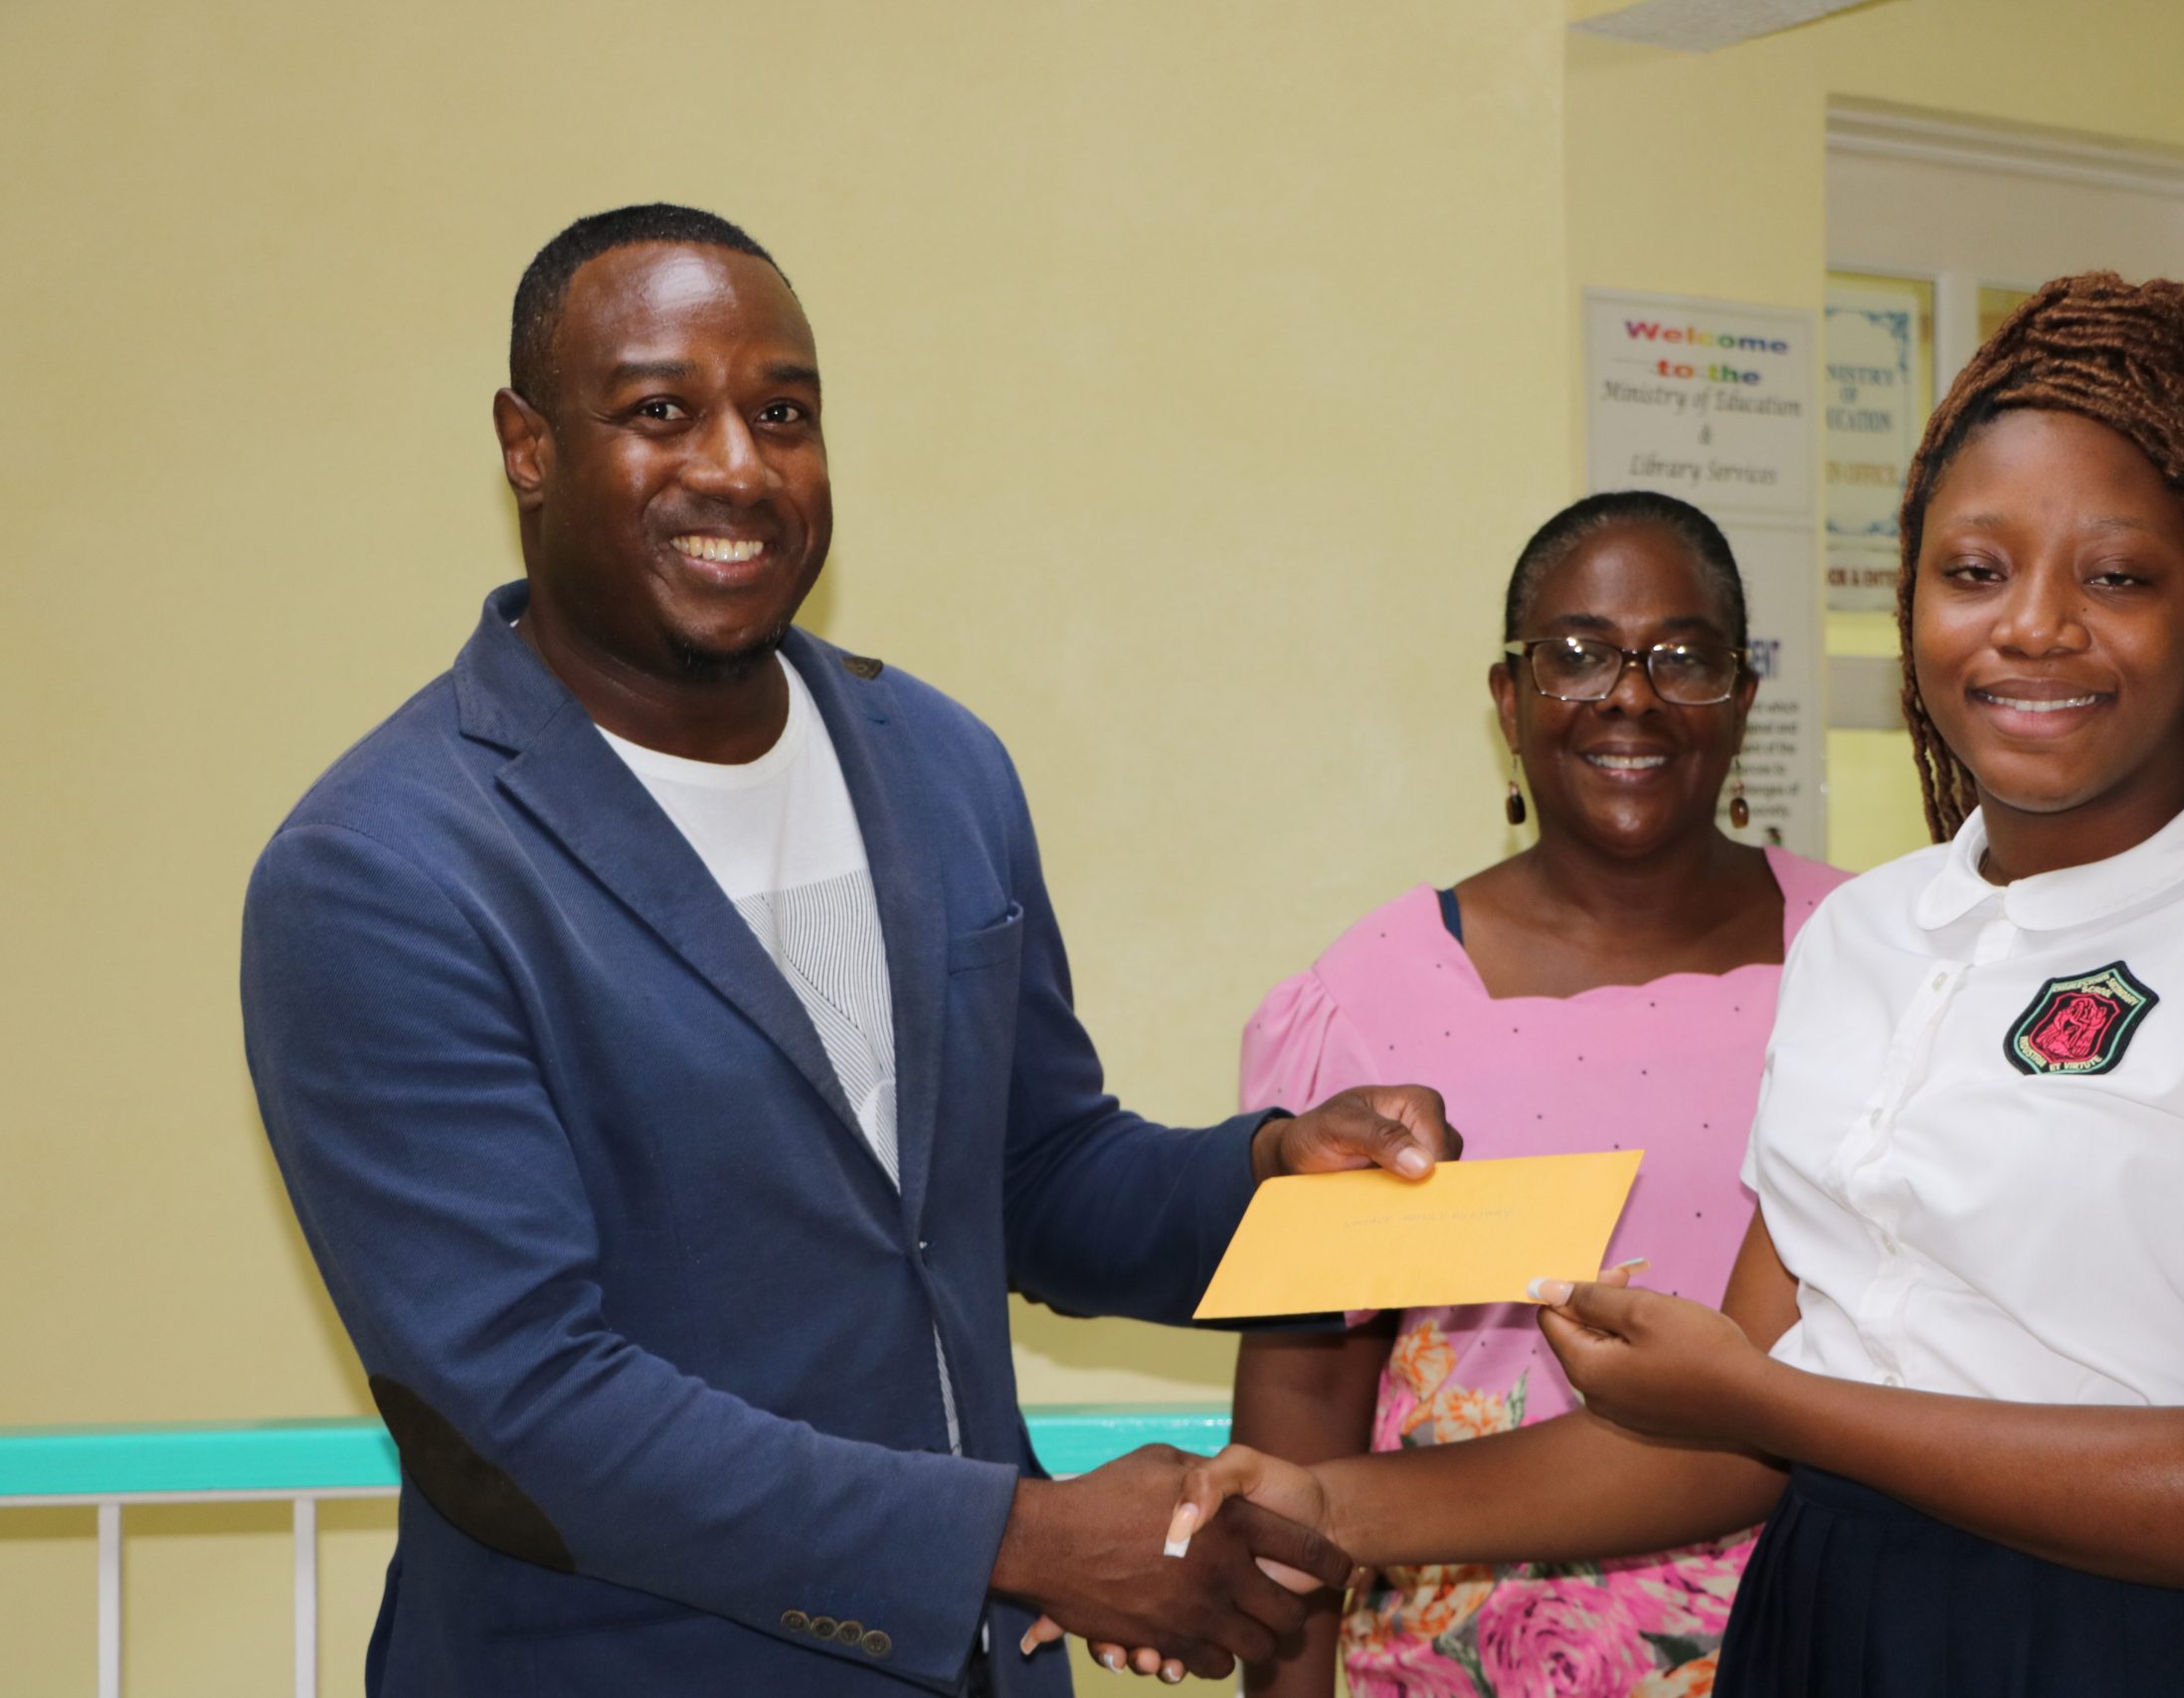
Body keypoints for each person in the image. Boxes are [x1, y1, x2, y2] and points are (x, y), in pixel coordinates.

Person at [1159, 274, 2184, 1697]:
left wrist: (1772, 1398)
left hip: (2144, 1645)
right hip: (1833, 1619)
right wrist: (1330, 1507)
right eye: (1974, 570)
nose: (2033, 626)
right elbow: (1727, 1431)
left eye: (2116, 575)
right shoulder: (1870, 933)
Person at [239, 203, 1459, 1697]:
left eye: (784, 412)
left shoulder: (938, 763)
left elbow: (1028, 1175)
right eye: (659, 411)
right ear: (527, 444)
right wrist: (1027, 1534)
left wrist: (1268, 1172)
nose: (738, 466)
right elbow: (519, 1410)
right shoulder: (385, 865)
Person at [1225, 491, 1848, 1698]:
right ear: (1508, 702)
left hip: (1815, 1640)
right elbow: (1304, 1405)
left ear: (1742, 700)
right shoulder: (1365, 1004)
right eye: (1575, 655)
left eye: (1684, 657)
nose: (1629, 695)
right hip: (1457, 1660)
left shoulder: (1873, 957)